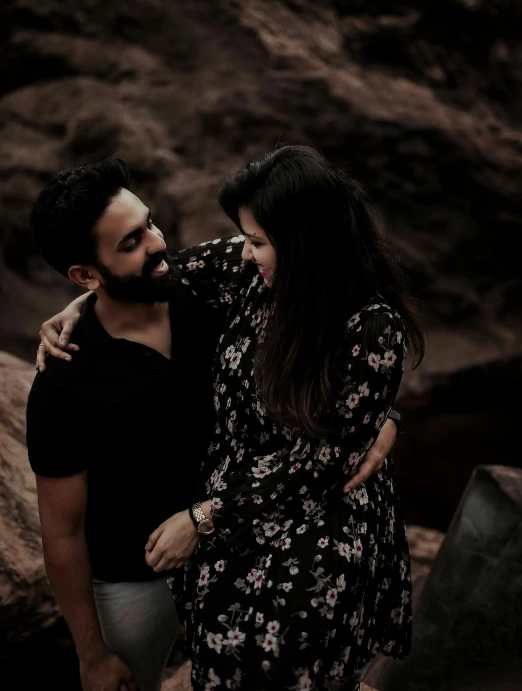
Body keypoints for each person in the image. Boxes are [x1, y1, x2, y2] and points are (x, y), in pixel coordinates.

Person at [32, 155, 402, 691]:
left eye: (149, 224)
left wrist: (384, 416)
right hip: (140, 573)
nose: (159, 245)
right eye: (131, 242)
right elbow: (60, 531)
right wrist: (90, 654)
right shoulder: (66, 375)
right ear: (85, 274)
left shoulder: (213, 290)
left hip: (245, 541)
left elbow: (347, 342)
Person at [145, 145, 423, 691]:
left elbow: (317, 464)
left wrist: (201, 517)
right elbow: (161, 275)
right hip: (235, 508)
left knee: (279, 660)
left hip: (318, 517)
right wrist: (78, 306)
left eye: (259, 242)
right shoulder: (250, 273)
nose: (246, 254)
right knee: (220, 660)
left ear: (306, 244)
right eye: (246, 238)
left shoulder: (371, 328)